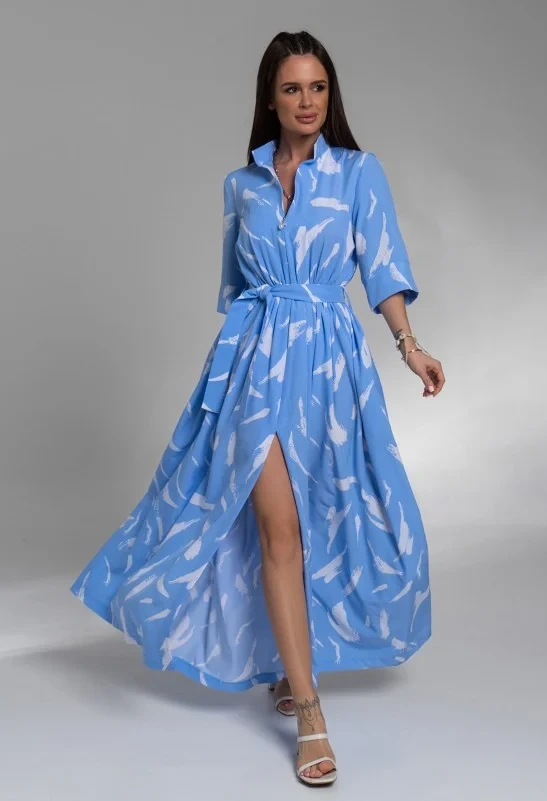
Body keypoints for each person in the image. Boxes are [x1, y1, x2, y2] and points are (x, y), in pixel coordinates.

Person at [69, 30, 445, 787]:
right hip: (253, 363)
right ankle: (308, 710)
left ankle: (284, 659)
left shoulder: (357, 173)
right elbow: (235, 289)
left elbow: (382, 265)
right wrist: (237, 365)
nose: (307, 102)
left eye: (318, 88)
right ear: (269, 99)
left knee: (323, 519)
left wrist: (408, 345)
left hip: (330, 367)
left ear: (330, 96)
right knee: (276, 526)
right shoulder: (240, 186)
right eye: (292, 89)